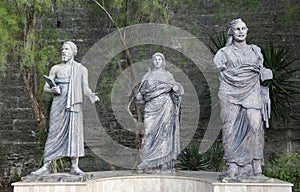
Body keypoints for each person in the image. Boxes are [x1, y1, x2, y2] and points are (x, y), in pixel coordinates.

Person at [214, 19, 273, 181]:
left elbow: (262, 69)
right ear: (231, 32)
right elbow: (219, 69)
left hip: (252, 91)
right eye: (237, 29)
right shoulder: (223, 53)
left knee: (255, 126)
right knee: (230, 127)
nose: (240, 31)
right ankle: (232, 166)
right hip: (229, 92)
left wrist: (266, 72)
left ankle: (256, 166)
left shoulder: (255, 51)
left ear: (247, 30)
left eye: (243, 28)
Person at [31, 41, 99, 175]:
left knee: (74, 132)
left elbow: (84, 87)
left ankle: (74, 166)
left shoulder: (81, 69)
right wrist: (53, 90)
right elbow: (46, 87)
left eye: (66, 49)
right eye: (62, 49)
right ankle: (46, 165)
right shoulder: (55, 68)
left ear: (73, 52)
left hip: (74, 103)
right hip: (58, 102)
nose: (63, 51)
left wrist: (91, 95)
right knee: (54, 132)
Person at [136, 52, 184, 173]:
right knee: (148, 133)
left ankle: (164, 162)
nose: (157, 61)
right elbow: (140, 94)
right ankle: (147, 161)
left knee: (165, 133)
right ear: (152, 61)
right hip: (151, 108)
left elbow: (175, 90)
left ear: (163, 61)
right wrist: (139, 97)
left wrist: (177, 91)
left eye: (159, 59)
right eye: (155, 59)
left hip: (166, 106)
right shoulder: (147, 76)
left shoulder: (168, 76)